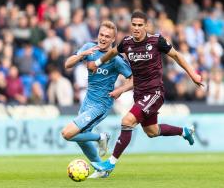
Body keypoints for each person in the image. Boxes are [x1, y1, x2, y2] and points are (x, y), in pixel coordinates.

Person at [87, 11, 203, 173]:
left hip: (155, 92)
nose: (136, 28)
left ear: (146, 26)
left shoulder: (156, 41)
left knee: (127, 121)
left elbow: (176, 56)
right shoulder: (126, 43)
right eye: (134, 24)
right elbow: (113, 52)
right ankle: (184, 131)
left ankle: (110, 163)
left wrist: (193, 74)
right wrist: (97, 62)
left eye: (140, 25)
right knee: (152, 131)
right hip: (140, 94)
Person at [61, 20, 132, 178]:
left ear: (113, 39)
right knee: (81, 138)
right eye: (101, 34)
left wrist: (120, 90)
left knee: (67, 134)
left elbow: (134, 79)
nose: (103, 38)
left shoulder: (116, 59)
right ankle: (102, 170)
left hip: (101, 104)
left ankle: (102, 137)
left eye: (107, 36)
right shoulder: (88, 48)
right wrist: (82, 55)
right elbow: (67, 64)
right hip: (87, 100)